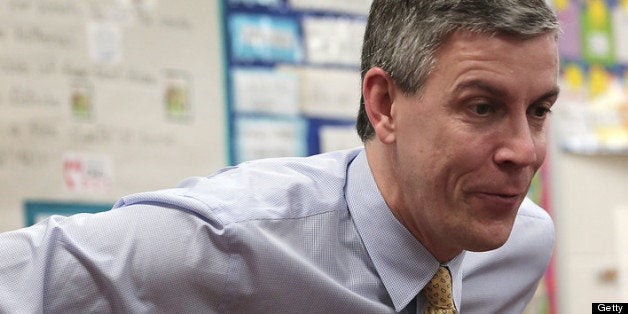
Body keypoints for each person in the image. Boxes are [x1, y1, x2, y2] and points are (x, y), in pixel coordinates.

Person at [0, 0, 560, 312]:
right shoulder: (229, 238)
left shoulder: (519, 244)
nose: (524, 151)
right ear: (385, 104)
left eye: (538, 110)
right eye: (482, 108)